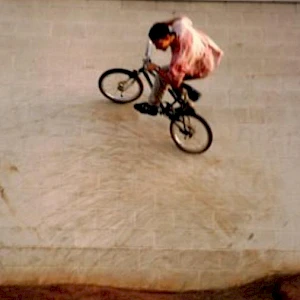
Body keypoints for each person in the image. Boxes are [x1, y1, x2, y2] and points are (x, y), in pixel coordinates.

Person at [134, 16, 224, 116]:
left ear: (167, 37)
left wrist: (156, 68)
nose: (157, 47)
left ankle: (157, 106)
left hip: (201, 66)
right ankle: (185, 97)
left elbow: (173, 81)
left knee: (165, 77)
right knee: (170, 74)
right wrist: (163, 24)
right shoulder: (179, 26)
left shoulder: (180, 56)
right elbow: (182, 18)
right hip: (206, 52)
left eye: (158, 44)